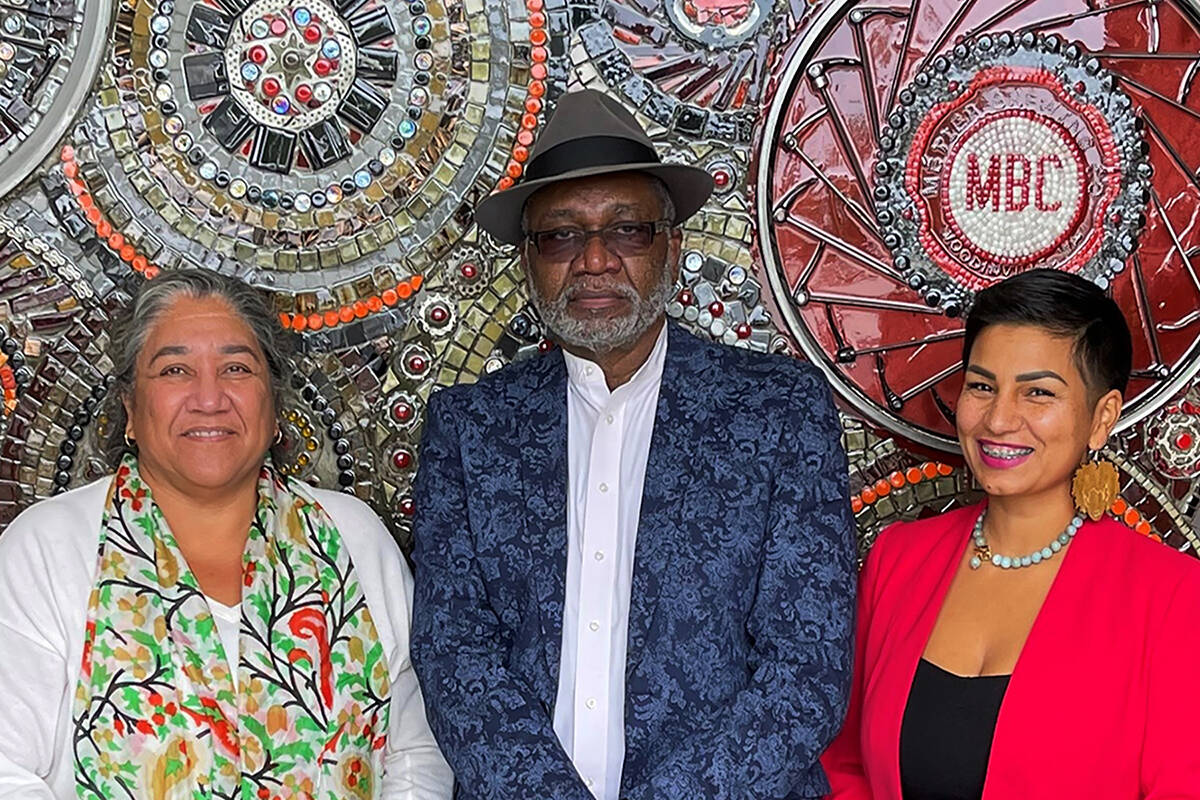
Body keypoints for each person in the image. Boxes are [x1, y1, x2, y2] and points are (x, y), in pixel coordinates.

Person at [410, 88, 856, 800]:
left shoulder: (777, 410)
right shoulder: (471, 428)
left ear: (672, 249)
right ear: (528, 261)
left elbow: (806, 670)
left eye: (627, 230)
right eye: (561, 236)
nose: (594, 259)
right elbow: (454, 655)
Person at [0, 270, 453, 799]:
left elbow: (417, 748)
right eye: (175, 370)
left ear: (274, 404)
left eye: (236, 368)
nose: (209, 398)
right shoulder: (48, 549)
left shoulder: (354, 538)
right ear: (130, 408)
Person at [821, 269, 1200, 799]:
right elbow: (844, 765)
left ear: (1102, 417)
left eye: (1038, 393)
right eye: (982, 386)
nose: (998, 420)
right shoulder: (898, 559)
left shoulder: (1174, 596)